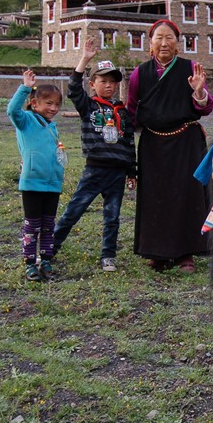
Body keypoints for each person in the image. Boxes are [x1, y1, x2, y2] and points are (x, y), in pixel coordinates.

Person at [126, 19, 213, 273]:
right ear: (150, 43)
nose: (164, 43)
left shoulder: (190, 69)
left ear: (177, 44)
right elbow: (132, 109)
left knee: (186, 195)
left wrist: (199, 91)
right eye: (159, 38)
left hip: (186, 142)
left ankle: (186, 254)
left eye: (169, 38)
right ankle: (158, 253)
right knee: (155, 196)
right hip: (153, 144)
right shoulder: (139, 73)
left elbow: (206, 107)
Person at [53, 38, 137, 272]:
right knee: (74, 210)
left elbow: (130, 142)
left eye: (112, 81)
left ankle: (108, 255)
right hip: (95, 170)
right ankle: (51, 247)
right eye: (103, 81)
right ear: (92, 84)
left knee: (112, 217)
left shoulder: (123, 111)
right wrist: (84, 60)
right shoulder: (88, 106)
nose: (108, 85)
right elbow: (73, 89)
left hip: (117, 173)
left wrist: (132, 171)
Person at [8, 70, 66, 282]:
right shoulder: (26, 121)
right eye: (49, 103)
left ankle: (46, 259)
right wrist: (25, 87)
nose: (54, 108)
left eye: (57, 104)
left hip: (52, 183)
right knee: (32, 226)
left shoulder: (52, 127)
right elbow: (12, 110)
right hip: (32, 183)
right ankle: (30, 263)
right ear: (34, 103)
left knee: (49, 225)